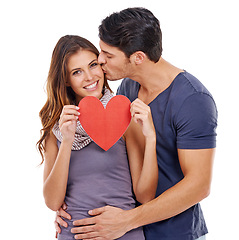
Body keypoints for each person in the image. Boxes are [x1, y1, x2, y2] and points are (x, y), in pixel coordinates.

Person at [55, 7, 218, 240]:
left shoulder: (193, 100)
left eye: (108, 55)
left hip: (175, 233)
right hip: (128, 232)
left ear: (138, 58)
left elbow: (199, 185)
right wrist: (71, 206)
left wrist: (127, 220)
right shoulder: (128, 88)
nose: (100, 61)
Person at [37, 35, 159, 240]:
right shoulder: (56, 129)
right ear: (66, 80)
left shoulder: (125, 115)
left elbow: (145, 196)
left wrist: (151, 138)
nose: (89, 77)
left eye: (93, 65)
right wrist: (67, 141)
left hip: (123, 234)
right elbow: (52, 202)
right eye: (77, 72)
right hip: (74, 234)